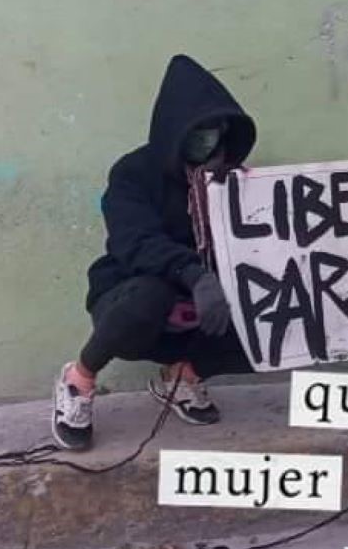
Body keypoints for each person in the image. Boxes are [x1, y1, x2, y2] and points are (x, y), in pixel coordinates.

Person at [51, 55, 257, 451]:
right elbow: (135, 242)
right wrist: (195, 275)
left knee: (273, 307)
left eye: (216, 133)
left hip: (202, 308)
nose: (208, 141)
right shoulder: (132, 174)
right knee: (149, 295)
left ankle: (182, 374)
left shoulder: (232, 180)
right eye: (199, 132)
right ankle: (79, 379)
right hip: (136, 302)